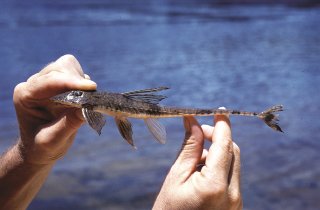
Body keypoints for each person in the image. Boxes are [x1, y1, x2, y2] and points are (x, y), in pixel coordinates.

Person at [0, 55, 242, 210]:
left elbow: (95, 119)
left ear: (82, 99)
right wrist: (30, 154)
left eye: (72, 96)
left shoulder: (87, 104)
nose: (65, 99)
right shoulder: (86, 104)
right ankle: (256, 115)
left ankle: (256, 114)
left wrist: (28, 155)